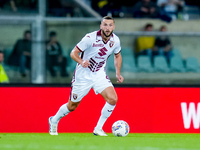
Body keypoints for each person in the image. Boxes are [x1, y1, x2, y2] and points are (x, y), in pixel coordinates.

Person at [49, 16, 124, 136]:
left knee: (113, 99)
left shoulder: (115, 40)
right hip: (83, 75)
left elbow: (117, 55)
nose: (107, 27)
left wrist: (118, 73)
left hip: (99, 73)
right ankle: (54, 120)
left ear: (113, 27)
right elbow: (73, 52)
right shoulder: (90, 38)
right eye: (105, 25)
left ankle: (98, 128)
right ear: (101, 26)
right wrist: (81, 61)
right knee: (72, 106)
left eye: (110, 25)